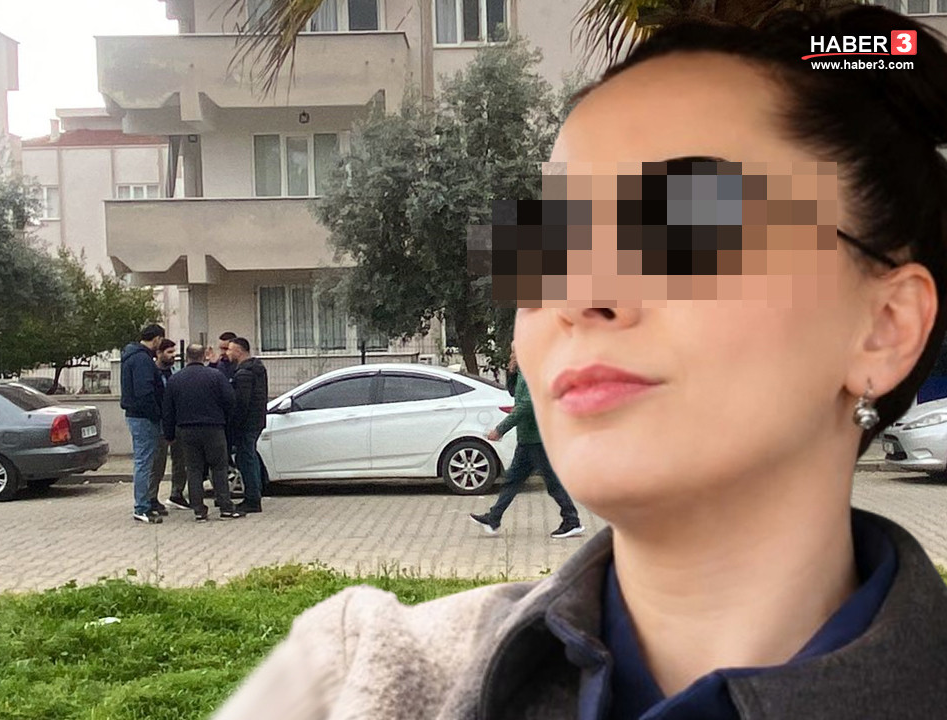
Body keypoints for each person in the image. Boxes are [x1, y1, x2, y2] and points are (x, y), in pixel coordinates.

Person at [212, 6, 947, 718]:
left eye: (683, 221)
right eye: (550, 240)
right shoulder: (357, 678)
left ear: (885, 328)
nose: (577, 293)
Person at [470, 362, 583, 538]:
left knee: (552, 482)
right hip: (527, 439)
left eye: (513, 353)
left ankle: (572, 521)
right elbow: (513, 392)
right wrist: (511, 372)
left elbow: (526, 405)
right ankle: (493, 518)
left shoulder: (532, 372)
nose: (511, 356)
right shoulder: (524, 372)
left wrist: (500, 429)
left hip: (538, 439)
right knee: (512, 480)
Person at [162, 344, 245, 522]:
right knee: (219, 468)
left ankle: (199, 510)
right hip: (214, 428)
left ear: (187, 357)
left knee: (194, 469)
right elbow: (230, 400)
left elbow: (168, 409)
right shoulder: (216, 376)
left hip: (187, 430)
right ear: (203, 357)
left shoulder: (175, 380)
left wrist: (169, 435)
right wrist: (225, 420)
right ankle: (225, 507)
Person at [120, 323, 166, 524]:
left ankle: (145, 503)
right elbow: (145, 391)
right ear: (156, 339)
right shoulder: (142, 360)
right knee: (144, 462)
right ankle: (142, 507)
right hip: (144, 417)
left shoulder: (132, 357)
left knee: (145, 461)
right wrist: (156, 414)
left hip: (136, 415)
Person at [226, 337, 269, 513]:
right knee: (249, 456)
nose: (227, 353)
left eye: (230, 349)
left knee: (245, 458)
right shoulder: (256, 369)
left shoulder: (244, 374)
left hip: (247, 423)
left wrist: (234, 424)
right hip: (256, 421)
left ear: (239, 351)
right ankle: (255, 493)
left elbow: (241, 403)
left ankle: (252, 498)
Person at [147, 339, 188, 515]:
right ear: (159, 353)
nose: (173, 356)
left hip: (177, 421)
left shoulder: (175, 372)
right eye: (169, 352)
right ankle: (151, 497)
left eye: (174, 352)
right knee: (158, 462)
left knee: (181, 460)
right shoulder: (153, 373)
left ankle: (177, 493)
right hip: (160, 422)